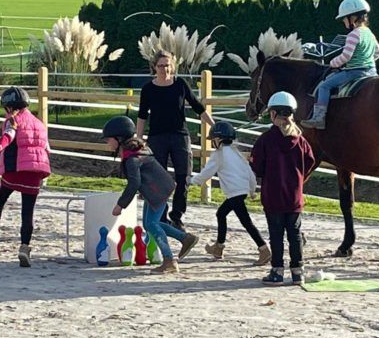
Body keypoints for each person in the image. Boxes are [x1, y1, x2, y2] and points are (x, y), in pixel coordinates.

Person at [102, 115, 200, 274]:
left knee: (152, 225)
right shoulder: (136, 151)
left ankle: (169, 260)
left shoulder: (132, 158)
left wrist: (121, 205)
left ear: (119, 138)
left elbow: (134, 183)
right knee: (149, 224)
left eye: (108, 140)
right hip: (157, 190)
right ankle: (185, 238)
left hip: (157, 191)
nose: (107, 143)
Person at [136, 50, 215, 231]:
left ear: (173, 66)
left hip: (180, 136)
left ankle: (177, 215)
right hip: (157, 138)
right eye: (161, 66)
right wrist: (139, 139)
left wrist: (214, 126)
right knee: (159, 178)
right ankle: (161, 215)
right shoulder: (148, 89)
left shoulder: (180, 84)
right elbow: (142, 115)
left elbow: (198, 107)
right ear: (154, 67)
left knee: (183, 176)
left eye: (168, 65)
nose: (165, 69)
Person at [0, 86, 50, 268]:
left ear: (9, 107)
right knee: (27, 212)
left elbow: (9, 136)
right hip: (36, 172)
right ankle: (24, 247)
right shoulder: (39, 124)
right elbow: (46, 148)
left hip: (15, 169)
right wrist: (45, 173)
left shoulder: (13, 120)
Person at [250, 92, 316, 286]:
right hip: (294, 195)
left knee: (276, 234)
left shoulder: (266, 139)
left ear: (273, 114)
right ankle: (298, 271)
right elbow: (310, 162)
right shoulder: (301, 142)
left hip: (273, 195)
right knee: (295, 234)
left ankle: (277, 271)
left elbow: (257, 165)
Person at [188, 121, 271, 265]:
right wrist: (252, 190)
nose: (212, 142)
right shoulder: (236, 153)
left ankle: (264, 249)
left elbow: (207, 172)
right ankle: (218, 247)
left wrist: (191, 180)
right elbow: (249, 172)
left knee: (246, 222)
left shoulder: (218, 155)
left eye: (213, 139)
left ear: (219, 139)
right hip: (241, 191)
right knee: (221, 214)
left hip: (234, 192)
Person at [302, 0, 379, 130]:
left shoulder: (353, 35)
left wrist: (333, 63)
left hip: (354, 72)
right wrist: (367, 60)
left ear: (352, 17)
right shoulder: (368, 32)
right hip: (371, 71)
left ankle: (318, 119)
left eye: (344, 18)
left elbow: (346, 56)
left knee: (324, 86)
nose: (344, 21)